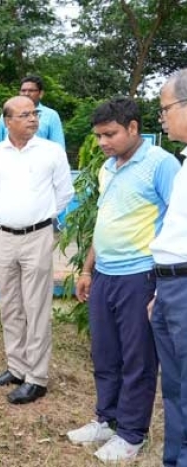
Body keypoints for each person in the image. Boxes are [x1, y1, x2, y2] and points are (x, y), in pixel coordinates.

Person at [66, 98, 179, 461]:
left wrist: (162, 286)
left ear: (133, 128)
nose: (102, 143)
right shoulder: (108, 168)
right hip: (105, 275)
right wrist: (87, 270)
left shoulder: (161, 165)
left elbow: (179, 223)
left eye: (110, 134)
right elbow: (104, 221)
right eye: (98, 136)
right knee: (105, 354)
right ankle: (107, 420)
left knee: (137, 360)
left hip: (140, 275)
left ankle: (132, 434)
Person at [0, 96, 73, 405]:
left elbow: (64, 193)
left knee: (36, 307)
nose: (33, 119)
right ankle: (16, 368)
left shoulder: (51, 152)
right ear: (8, 122)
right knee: (10, 305)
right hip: (2, 237)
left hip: (37, 237)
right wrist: (7, 218)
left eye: (34, 114)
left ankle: (37, 378)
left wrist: (40, 218)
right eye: (25, 115)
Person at [149, 68, 187, 467]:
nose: (163, 118)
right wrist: (162, 289)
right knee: (173, 386)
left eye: (166, 109)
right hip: (170, 287)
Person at [0, 75, 65, 148]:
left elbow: (59, 146)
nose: (26, 94)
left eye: (31, 90)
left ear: (41, 94)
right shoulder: (8, 114)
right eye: (23, 90)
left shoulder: (51, 115)